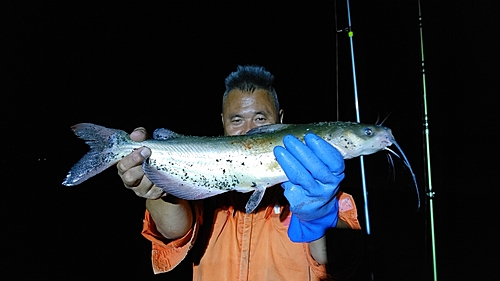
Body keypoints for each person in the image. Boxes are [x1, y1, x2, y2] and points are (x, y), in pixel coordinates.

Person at [117, 65, 361, 280]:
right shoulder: (210, 195)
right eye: (236, 121)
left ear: (281, 118)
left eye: (260, 118)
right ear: (223, 122)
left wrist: (320, 217)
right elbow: (173, 230)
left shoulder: (322, 190)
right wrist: (157, 188)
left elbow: (341, 263)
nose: (248, 131)